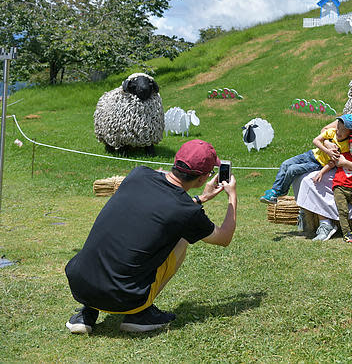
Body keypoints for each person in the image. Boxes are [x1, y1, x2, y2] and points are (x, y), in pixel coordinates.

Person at [64, 139, 237, 334]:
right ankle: (140, 314)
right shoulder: (187, 212)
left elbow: (162, 200)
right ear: (201, 179)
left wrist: (201, 199)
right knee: (182, 238)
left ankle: (87, 313)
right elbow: (224, 238)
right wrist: (232, 196)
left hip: (80, 284)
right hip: (125, 296)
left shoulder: (139, 174)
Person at [294, 109, 352, 241]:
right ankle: (319, 219)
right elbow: (325, 130)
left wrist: (346, 163)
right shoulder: (348, 121)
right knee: (305, 178)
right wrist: (328, 143)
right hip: (334, 166)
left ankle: (328, 223)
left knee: (318, 182)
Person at [259, 114, 352, 204]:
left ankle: (281, 192)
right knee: (285, 164)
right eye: (338, 127)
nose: (339, 131)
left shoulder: (345, 146)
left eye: (343, 130)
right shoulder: (331, 132)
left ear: (349, 132)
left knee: (292, 169)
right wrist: (327, 151)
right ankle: (275, 190)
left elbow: (332, 163)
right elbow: (315, 140)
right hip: (311, 154)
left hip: (319, 164)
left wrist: (321, 172)